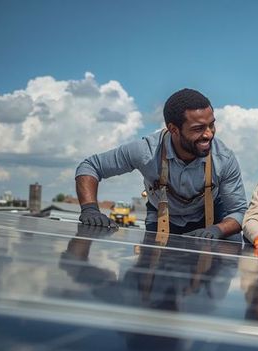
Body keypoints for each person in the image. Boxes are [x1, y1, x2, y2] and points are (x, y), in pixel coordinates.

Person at [75, 88, 247, 240]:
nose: (209, 134)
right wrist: (90, 209)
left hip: (212, 218)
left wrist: (218, 229)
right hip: (161, 215)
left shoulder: (224, 158)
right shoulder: (145, 151)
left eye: (211, 125)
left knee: (224, 261)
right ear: (173, 129)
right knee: (150, 272)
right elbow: (90, 166)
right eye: (198, 128)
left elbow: (239, 212)